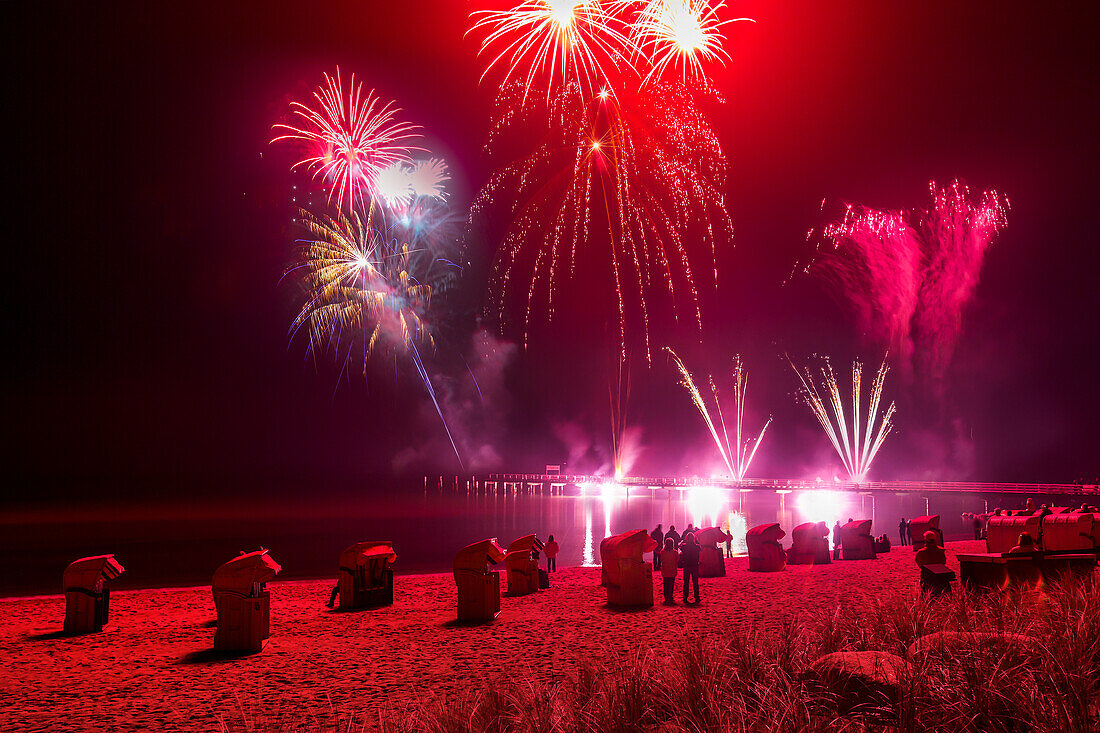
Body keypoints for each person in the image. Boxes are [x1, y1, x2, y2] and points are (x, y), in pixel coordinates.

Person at [679, 532, 701, 605]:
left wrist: (684, 541)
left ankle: (685, 597)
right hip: (694, 565)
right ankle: (697, 597)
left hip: (687, 565)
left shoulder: (684, 547)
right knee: (695, 582)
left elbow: (679, 546)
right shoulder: (697, 547)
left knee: (686, 582)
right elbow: (700, 548)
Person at [659, 537, 680, 605]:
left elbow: (661, 560)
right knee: (671, 584)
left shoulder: (662, 552)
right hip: (672, 569)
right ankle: (670, 597)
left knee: (665, 584)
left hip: (665, 569)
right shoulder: (675, 552)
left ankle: (666, 597)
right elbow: (677, 560)